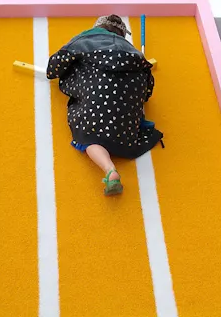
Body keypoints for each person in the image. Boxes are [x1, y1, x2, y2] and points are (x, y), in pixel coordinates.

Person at [46, 15, 163, 196]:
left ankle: (109, 169)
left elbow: (53, 67)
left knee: (89, 137)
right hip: (127, 125)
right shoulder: (135, 54)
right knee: (118, 122)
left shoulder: (84, 40)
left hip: (96, 102)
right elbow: (148, 91)